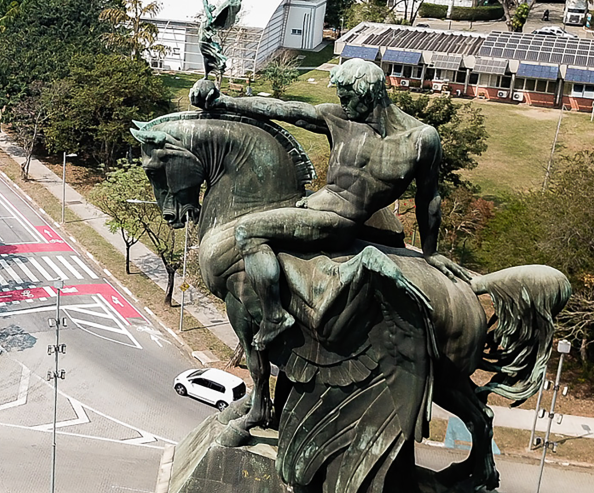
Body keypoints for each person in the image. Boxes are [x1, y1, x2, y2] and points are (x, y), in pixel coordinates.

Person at [189, 59, 470, 349]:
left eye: (347, 97)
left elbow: (429, 197)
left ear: (370, 94)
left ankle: (274, 317)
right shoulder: (341, 120)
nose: (342, 103)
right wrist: (223, 101)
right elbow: (285, 109)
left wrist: (430, 252)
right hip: (311, 207)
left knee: (247, 231)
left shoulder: (421, 140)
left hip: (338, 221)